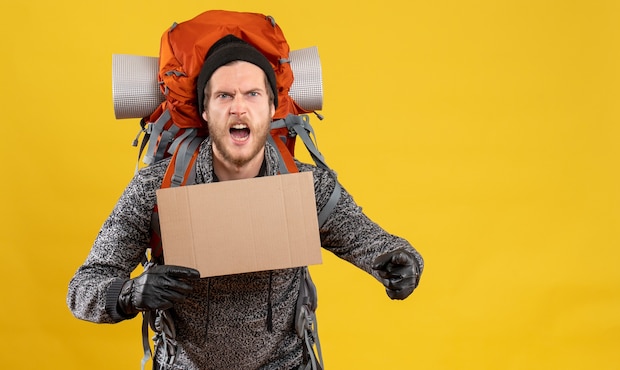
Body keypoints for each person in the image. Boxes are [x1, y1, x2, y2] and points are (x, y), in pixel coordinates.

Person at [67, 34, 424, 370]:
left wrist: (400, 262)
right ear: (205, 111)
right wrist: (130, 293)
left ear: (272, 108)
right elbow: (82, 289)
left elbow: (372, 242)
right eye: (224, 96)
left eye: (252, 94)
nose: (239, 107)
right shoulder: (154, 189)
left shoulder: (304, 185)